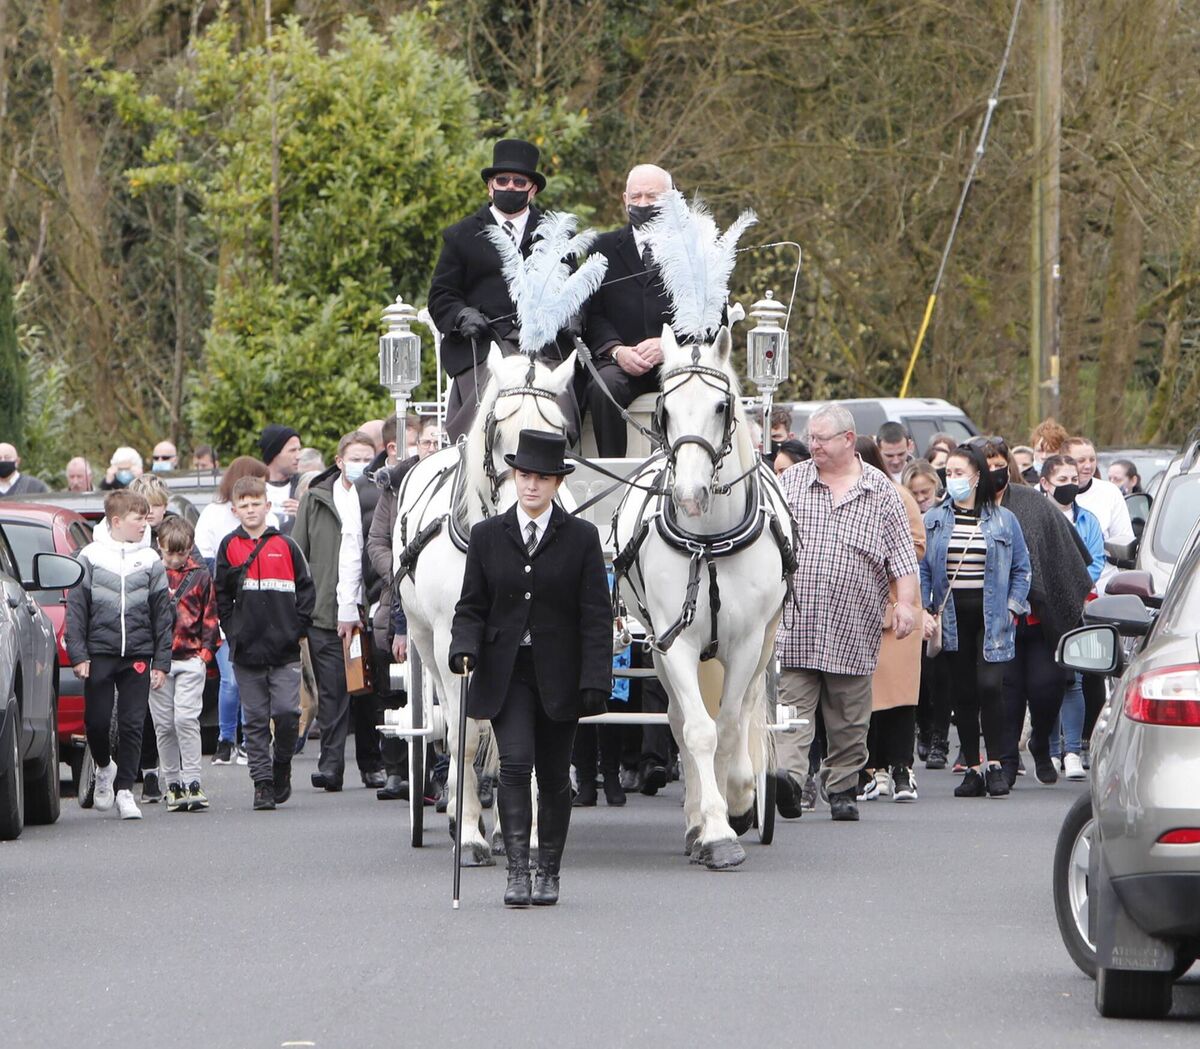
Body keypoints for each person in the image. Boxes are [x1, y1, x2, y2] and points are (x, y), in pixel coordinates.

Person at [449, 430, 611, 907]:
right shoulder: (486, 536)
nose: (531, 485)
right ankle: (517, 871)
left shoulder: (582, 537)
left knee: (555, 775)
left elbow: (596, 616)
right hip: (507, 671)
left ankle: (549, 872)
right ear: (513, 478)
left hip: (561, 673)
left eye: (542, 477)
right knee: (515, 764)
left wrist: (595, 678)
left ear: (558, 483)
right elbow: (471, 606)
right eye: (524, 475)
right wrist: (464, 646)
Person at [773, 404, 920, 823]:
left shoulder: (881, 491)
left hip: (853, 625)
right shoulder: (791, 482)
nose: (813, 445)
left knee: (850, 718)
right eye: (811, 438)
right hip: (796, 622)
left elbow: (903, 558)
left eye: (821, 439)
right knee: (791, 712)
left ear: (848, 439)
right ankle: (790, 780)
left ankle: (841, 787)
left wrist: (905, 605)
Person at [971, 435, 1094, 788]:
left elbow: (1064, 552)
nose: (995, 472)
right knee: (1006, 692)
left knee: (1047, 688)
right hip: (995, 621)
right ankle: (1008, 759)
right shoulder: (967, 509)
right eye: (987, 466)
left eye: (1000, 465)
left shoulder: (1032, 502)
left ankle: (1041, 741)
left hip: (1038, 618)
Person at [920, 444, 1031, 799]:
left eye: (959, 473)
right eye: (948, 473)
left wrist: (1012, 607)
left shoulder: (1003, 519)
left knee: (990, 686)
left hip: (992, 614)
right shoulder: (934, 519)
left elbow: (1022, 569)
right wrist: (925, 607)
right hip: (952, 615)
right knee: (963, 692)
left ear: (977, 476)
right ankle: (972, 767)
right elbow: (923, 568)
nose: (952, 479)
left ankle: (996, 763)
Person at [428, 138, 551, 441]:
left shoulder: (553, 233)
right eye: (502, 180)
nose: (510, 186)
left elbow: (577, 291)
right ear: (490, 186)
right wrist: (461, 315)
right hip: (482, 345)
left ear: (532, 189)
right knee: (486, 404)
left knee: (555, 398)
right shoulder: (461, 235)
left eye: (519, 182)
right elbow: (441, 295)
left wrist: (570, 314)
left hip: (542, 346)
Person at [65, 490, 173, 820]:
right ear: (116, 521)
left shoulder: (151, 559)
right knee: (96, 723)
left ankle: (125, 790)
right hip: (99, 652)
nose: (144, 524)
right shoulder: (90, 556)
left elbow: (162, 614)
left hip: (138, 652)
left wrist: (161, 661)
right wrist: (78, 653)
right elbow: (76, 609)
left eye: (145, 518)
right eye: (137, 519)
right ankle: (104, 767)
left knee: (132, 723)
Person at [293, 430, 385, 791]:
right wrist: (303, 609)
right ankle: (331, 765)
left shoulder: (380, 495)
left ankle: (371, 763)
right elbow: (299, 554)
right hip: (324, 613)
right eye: (355, 458)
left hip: (368, 610)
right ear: (339, 461)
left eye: (367, 458)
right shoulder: (316, 499)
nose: (361, 465)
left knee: (368, 691)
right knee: (332, 691)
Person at [215, 476, 315, 810]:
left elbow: (306, 588)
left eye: (256, 503)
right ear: (234, 510)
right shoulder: (229, 546)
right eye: (243, 505)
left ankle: (282, 763)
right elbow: (221, 594)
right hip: (246, 650)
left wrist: (297, 628)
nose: (250, 510)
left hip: (284, 649)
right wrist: (233, 631)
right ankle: (262, 783)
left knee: (287, 713)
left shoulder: (286, 545)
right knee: (255, 720)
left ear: (267, 506)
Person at [583, 163, 675, 457]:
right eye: (636, 197)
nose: (643, 204)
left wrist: (667, 345)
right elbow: (592, 314)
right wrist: (617, 351)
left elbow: (711, 317)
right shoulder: (602, 247)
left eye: (652, 197)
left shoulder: (693, 247)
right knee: (603, 386)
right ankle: (613, 472)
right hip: (621, 361)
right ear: (625, 199)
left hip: (677, 360)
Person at [194, 456, 280, 765]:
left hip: (261, 616)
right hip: (227, 614)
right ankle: (226, 738)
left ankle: (250, 739)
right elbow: (204, 566)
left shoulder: (271, 521)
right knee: (231, 680)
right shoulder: (213, 516)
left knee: (255, 681)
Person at [853, 439, 925, 803]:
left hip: (897, 604)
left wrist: (876, 550)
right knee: (858, 695)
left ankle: (901, 768)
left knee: (899, 695)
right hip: (855, 605)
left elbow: (917, 545)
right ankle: (869, 768)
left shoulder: (897, 495)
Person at [364, 414, 421, 800]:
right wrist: (402, 575)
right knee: (391, 687)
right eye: (419, 442)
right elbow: (376, 543)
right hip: (395, 595)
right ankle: (395, 769)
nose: (425, 450)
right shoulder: (392, 491)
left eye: (429, 442)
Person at [1039, 454, 1104, 782]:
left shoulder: (1088, 520)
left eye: (1073, 480)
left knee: (1074, 679)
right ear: (1045, 483)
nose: (1069, 486)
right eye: (1061, 480)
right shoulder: (1038, 516)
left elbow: (1095, 561)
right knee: (1048, 680)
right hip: (1044, 608)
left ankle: (1073, 751)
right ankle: (1051, 750)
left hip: (1077, 607)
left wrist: (1075, 588)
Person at [149, 516, 219, 812]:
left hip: (190, 657)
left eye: (182, 553)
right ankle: (173, 784)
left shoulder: (200, 575)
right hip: (158, 662)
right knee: (164, 725)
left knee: (186, 720)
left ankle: (193, 781)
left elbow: (210, 616)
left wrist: (205, 654)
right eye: (170, 554)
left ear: (190, 548)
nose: (176, 560)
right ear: (159, 546)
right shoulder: (151, 573)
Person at [902, 460, 946, 766]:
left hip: (936, 604)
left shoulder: (943, 519)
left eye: (925, 493)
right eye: (915, 493)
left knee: (939, 677)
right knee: (919, 678)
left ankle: (939, 738)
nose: (921, 499)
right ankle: (924, 729)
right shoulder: (904, 517)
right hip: (911, 603)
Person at [258, 424, 302, 534]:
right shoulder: (250, 487)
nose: (298, 456)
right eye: (292, 450)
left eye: (299, 450)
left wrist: (304, 514)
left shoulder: (304, 486)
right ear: (274, 454)